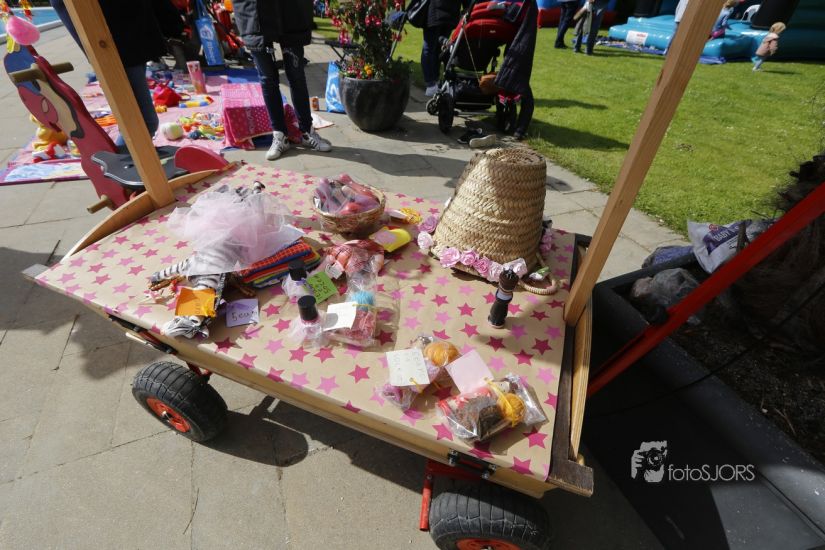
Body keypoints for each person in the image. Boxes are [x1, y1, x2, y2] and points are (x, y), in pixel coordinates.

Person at [49, 0, 182, 146]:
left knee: (140, 122)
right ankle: (129, 158)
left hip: (127, 41)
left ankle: (132, 156)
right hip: (117, 46)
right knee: (141, 122)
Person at [233, 0, 331, 160]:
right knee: (267, 79)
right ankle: (279, 135)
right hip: (253, 12)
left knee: (297, 76)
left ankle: (307, 131)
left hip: (290, 10)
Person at [495, 0, 538, 140]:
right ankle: (515, 128)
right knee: (518, 91)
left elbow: (510, 16)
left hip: (516, 52)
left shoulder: (522, 4)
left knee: (512, 88)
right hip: (520, 51)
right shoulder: (528, 5)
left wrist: (501, 7)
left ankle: (514, 127)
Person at [422, 0, 468, 97]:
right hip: (450, 15)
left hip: (435, 13)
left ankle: (431, 84)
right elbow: (467, 4)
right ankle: (435, 81)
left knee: (429, 49)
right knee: (438, 49)